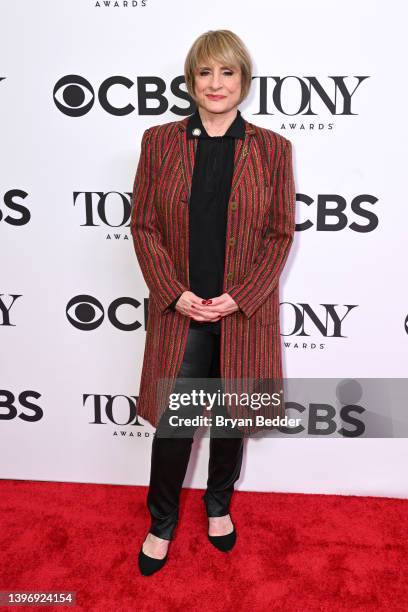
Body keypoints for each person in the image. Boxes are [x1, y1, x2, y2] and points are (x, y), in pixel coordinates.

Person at [131, 29, 296, 576]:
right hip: (181, 313)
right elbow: (145, 226)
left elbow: (278, 235)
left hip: (240, 314)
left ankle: (218, 505)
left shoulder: (273, 149)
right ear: (191, 80)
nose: (216, 83)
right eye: (206, 72)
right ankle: (161, 521)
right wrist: (174, 294)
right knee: (175, 426)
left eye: (227, 72)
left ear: (243, 81)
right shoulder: (158, 141)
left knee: (232, 417)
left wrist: (240, 298)